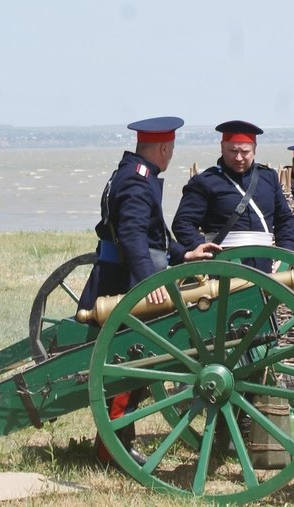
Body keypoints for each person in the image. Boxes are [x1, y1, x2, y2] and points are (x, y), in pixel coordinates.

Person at [77, 116, 221, 465]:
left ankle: (116, 440)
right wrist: (146, 283)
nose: (170, 155)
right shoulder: (138, 182)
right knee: (133, 361)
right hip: (122, 281)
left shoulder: (131, 174)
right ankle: (111, 445)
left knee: (135, 362)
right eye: (171, 150)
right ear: (164, 148)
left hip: (123, 274)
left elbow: (153, 234)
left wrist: (184, 253)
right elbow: (131, 236)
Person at [172, 120, 294, 273]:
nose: (238, 158)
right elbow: (183, 223)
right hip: (223, 266)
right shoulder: (204, 181)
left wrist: (286, 255)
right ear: (222, 147)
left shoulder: (268, 177)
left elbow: (284, 219)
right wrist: (200, 247)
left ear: (254, 149)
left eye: (245, 152)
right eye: (233, 151)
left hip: (265, 265)